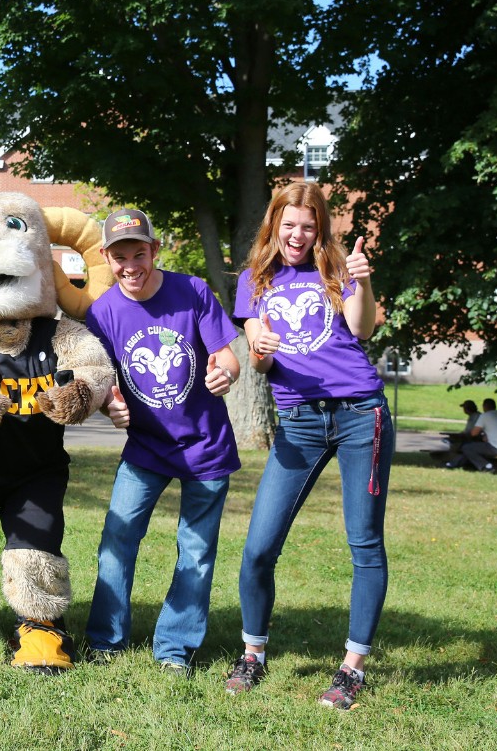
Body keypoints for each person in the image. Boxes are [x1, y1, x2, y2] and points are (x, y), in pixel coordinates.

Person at [226, 181, 394, 710]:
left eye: (309, 225)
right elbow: (260, 358)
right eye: (289, 224)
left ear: (320, 228)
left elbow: (361, 329)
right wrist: (257, 348)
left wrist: (362, 285)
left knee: (363, 542)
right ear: (274, 224)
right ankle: (253, 653)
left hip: (358, 415)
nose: (298, 234)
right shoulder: (255, 279)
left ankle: (353, 668)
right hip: (297, 421)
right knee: (258, 549)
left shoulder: (338, 270)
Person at [82, 209, 241, 674]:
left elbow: (226, 357)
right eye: (119, 256)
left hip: (205, 447)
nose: (130, 265)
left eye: (139, 253)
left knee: (196, 550)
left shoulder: (191, 291)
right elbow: (100, 381)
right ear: (105, 258)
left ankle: (174, 648)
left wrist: (225, 374)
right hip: (146, 449)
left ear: (155, 250)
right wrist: (108, 405)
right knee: (117, 539)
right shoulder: (102, 312)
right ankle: (106, 641)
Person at [459, 397, 497, 471]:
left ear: (484, 406)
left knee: (467, 447)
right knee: (475, 446)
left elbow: (473, 433)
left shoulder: (484, 416)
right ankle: (456, 463)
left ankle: (486, 466)